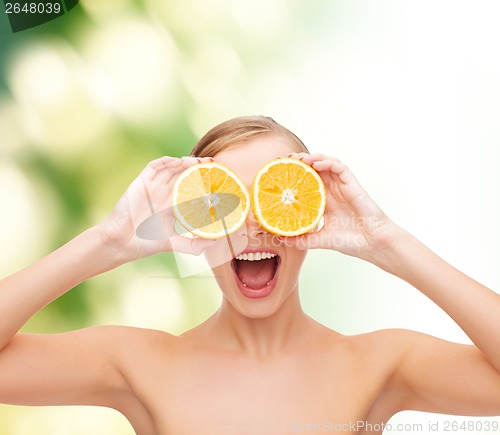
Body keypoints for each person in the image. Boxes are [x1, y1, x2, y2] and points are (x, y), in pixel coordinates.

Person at [0, 115, 499, 435]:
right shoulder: (140, 363)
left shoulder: (378, 363)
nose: (252, 228)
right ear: (193, 225)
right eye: (224, 204)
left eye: (275, 197)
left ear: (310, 212)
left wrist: (386, 241)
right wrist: (106, 241)